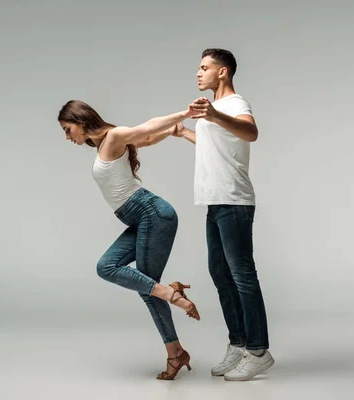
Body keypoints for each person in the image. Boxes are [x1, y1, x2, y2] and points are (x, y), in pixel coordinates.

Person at [58, 99, 201, 380]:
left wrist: (183, 114)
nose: (67, 136)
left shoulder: (112, 136)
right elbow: (147, 138)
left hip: (152, 214)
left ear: (81, 121)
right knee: (113, 268)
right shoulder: (105, 144)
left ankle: (172, 317)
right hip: (141, 218)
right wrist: (171, 131)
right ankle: (172, 319)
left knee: (149, 288)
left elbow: (145, 128)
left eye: (67, 129)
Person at [173, 48, 274, 381]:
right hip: (214, 202)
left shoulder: (234, 104)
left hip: (234, 201)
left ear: (223, 72)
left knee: (243, 276)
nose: (198, 73)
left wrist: (214, 115)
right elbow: (215, 147)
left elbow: (251, 133)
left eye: (204, 68)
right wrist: (184, 132)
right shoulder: (213, 110)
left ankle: (258, 350)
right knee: (220, 273)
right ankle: (239, 342)